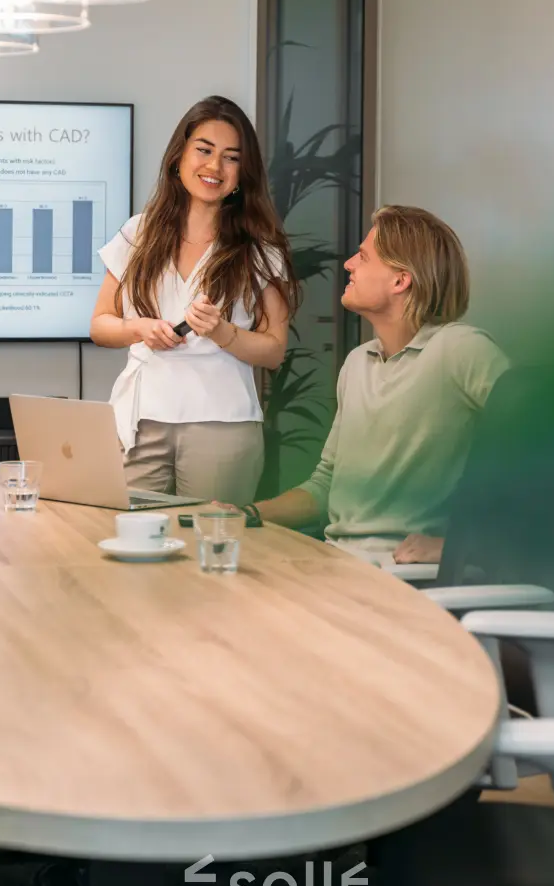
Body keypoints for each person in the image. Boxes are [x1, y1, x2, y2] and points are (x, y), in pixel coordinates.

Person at [245, 205, 509, 552]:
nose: (348, 264)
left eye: (363, 257)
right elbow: (326, 485)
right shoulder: (358, 363)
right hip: (337, 557)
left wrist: (456, 547)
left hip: (398, 568)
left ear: (400, 280)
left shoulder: (460, 349)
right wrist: (246, 514)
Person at [90, 96, 298, 505]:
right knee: (130, 533)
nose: (214, 167)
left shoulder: (259, 247)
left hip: (222, 422)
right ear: (179, 156)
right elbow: (100, 324)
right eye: (204, 150)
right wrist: (139, 328)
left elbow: (274, 350)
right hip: (139, 420)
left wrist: (222, 332)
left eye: (231, 157)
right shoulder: (138, 233)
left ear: (243, 173)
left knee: (212, 539)